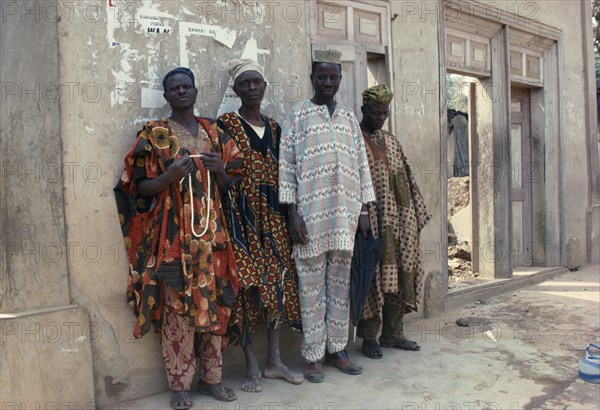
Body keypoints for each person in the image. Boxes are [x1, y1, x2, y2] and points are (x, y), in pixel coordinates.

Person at [114, 67, 241, 409]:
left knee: (216, 305)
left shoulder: (214, 132)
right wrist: (169, 175)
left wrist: (219, 170)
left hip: (213, 238)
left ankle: (212, 379)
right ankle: (180, 385)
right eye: (174, 88)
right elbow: (136, 187)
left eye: (186, 86)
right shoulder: (154, 134)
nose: (182, 91)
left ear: (195, 90)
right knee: (177, 311)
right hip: (173, 240)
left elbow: (232, 186)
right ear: (166, 95)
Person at [278, 50, 376, 383]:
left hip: (344, 215)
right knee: (310, 287)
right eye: (322, 76)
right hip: (310, 216)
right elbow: (287, 167)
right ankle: (312, 356)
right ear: (312, 78)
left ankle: (338, 350)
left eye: (334, 77)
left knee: (339, 286)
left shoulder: (349, 117)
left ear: (339, 79)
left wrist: (363, 208)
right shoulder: (296, 116)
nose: (328, 82)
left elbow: (361, 164)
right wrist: (293, 213)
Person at [217, 60, 304, 392]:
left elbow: (289, 175)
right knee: (246, 289)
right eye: (245, 83)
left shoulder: (277, 128)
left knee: (279, 286)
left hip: (276, 220)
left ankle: (275, 361)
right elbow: (222, 176)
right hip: (241, 220)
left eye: (256, 82)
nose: (251, 88)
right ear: (236, 89)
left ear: (264, 86)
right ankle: (252, 365)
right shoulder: (225, 125)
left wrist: (293, 214)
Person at [356, 84, 431, 359]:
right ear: (364, 110)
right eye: (375, 113)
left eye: (384, 114)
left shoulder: (391, 140)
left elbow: (407, 178)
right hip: (373, 222)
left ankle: (393, 334)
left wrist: (412, 217)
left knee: (400, 275)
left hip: (401, 223)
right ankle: (369, 337)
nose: (380, 118)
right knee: (373, 278)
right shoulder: (354, 139)